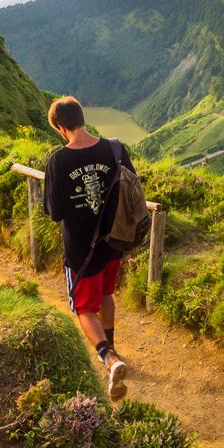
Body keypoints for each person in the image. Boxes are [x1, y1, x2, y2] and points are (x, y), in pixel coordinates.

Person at [43, 95, 137, 400]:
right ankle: (113, 348)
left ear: (60, 127)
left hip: (82, 251)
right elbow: (132, 186)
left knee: (84, 307)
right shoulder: (115, 148)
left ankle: (109, 359)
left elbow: (55, 212)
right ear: (82, 117)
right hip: (114, 242)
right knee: (107, 295)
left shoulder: (59, 160)